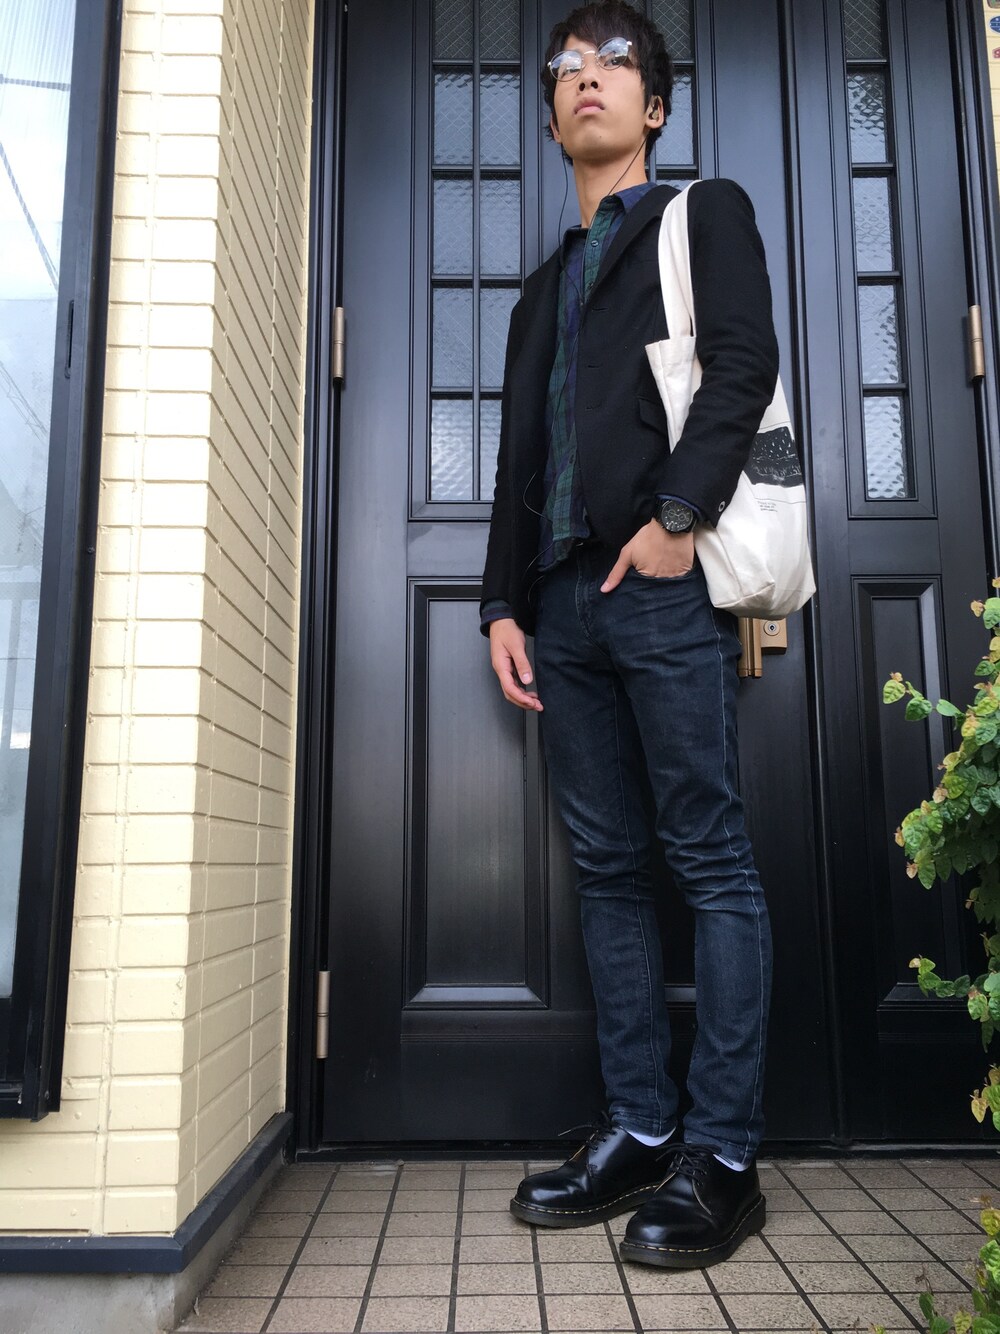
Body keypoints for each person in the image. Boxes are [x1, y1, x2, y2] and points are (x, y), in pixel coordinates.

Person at [480, 0, 779, 1270]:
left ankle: (724, 1154)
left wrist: (674, 520)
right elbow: (518, 460)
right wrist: (502, 602)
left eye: (611, 63)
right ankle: (642, 1127)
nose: (584, 78)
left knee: (707, 857)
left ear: (651, 105)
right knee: (606, 868)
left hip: (659, 584)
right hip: (560, 605)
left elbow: (742, 368)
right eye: (565, 68)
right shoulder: (542, 289)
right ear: (555, 117)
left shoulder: (701, 215)